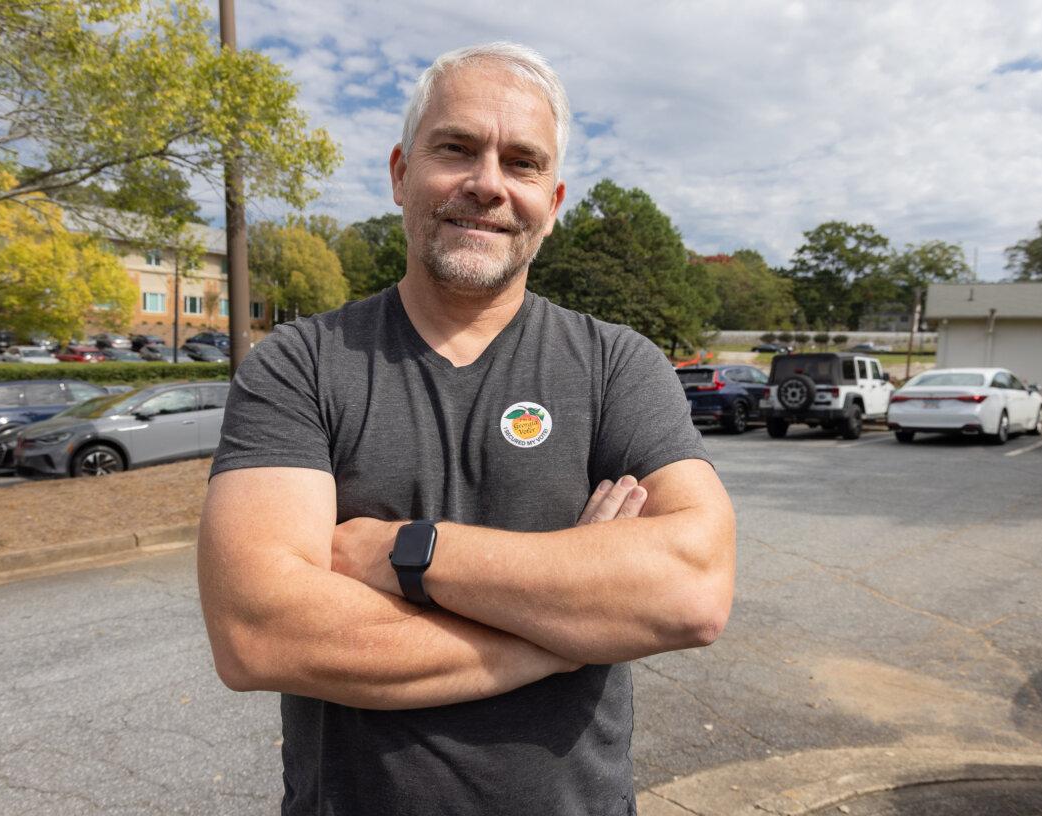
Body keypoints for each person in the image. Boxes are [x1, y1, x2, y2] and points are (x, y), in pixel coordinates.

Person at [198, 42, 736, 816]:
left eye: (521, 163)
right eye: (455, 149)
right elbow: (260, 632)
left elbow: (693, 588)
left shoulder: (616, 364)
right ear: (400, 173)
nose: (487, 184)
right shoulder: (301, 365)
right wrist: (571, 632)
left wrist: (407, 552)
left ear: (551, 207)